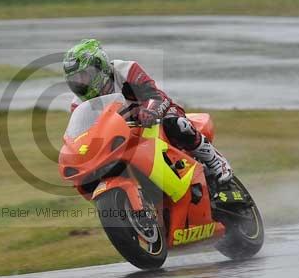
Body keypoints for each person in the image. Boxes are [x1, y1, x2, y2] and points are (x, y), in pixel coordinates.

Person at [63, 38, 233, 184]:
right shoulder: (78, 105)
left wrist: (149, 110)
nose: (80, 83)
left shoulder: (126, 70)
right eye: (75, 79)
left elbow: (155, 96)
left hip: (154, 117)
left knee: (176, 124)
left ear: (100, 66)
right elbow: (84, 135)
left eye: (84, 76)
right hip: (121, 136)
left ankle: (215, 160)